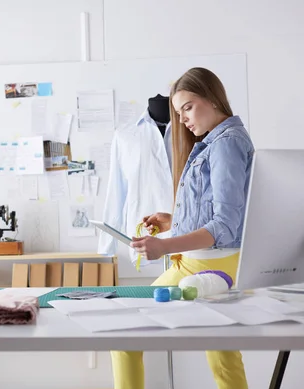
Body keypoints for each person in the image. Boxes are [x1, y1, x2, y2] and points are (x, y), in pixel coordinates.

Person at [110, 67, 255, 389]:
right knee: (223, 357)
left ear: (213, 98)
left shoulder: (226, 144)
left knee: (123, 333)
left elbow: (226, 225)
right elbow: (220, 213)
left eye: (188, 107)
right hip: (209, 261)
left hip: (209, 264)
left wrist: (164, 246)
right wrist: (174, 221)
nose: (183, 120)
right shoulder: (215, 142)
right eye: (179, 113)